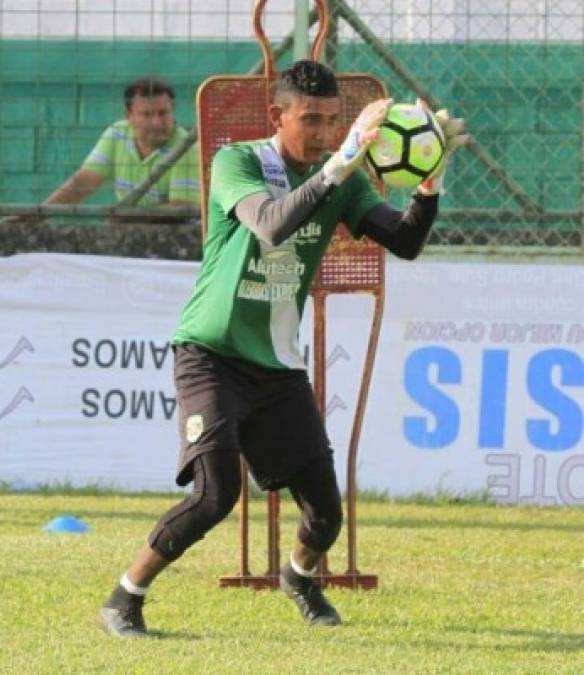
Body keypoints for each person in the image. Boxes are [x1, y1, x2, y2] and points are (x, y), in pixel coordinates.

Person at [99, 60, 468, 636]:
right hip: (210, 353)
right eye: (310, 120)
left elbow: (407, 241)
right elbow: (270, 225)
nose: (323, 133)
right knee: (216, 494)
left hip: (276, 367)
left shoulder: (339, 180)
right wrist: (344, 162)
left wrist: (431, 181)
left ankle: (297, 577)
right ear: (279, 115)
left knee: (325, 516)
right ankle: (125, 596)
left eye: (332, 121)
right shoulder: (237, 161)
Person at [8, 77, 200, 222]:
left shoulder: (187, 147)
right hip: (131, 229)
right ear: (129, 116)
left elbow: (182, 208)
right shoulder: (117, 133)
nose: (157, 122)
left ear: (173, 109)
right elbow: (83, 182)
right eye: (147, 115)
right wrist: (39, 215)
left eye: (163, 113)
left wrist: (127, 216)